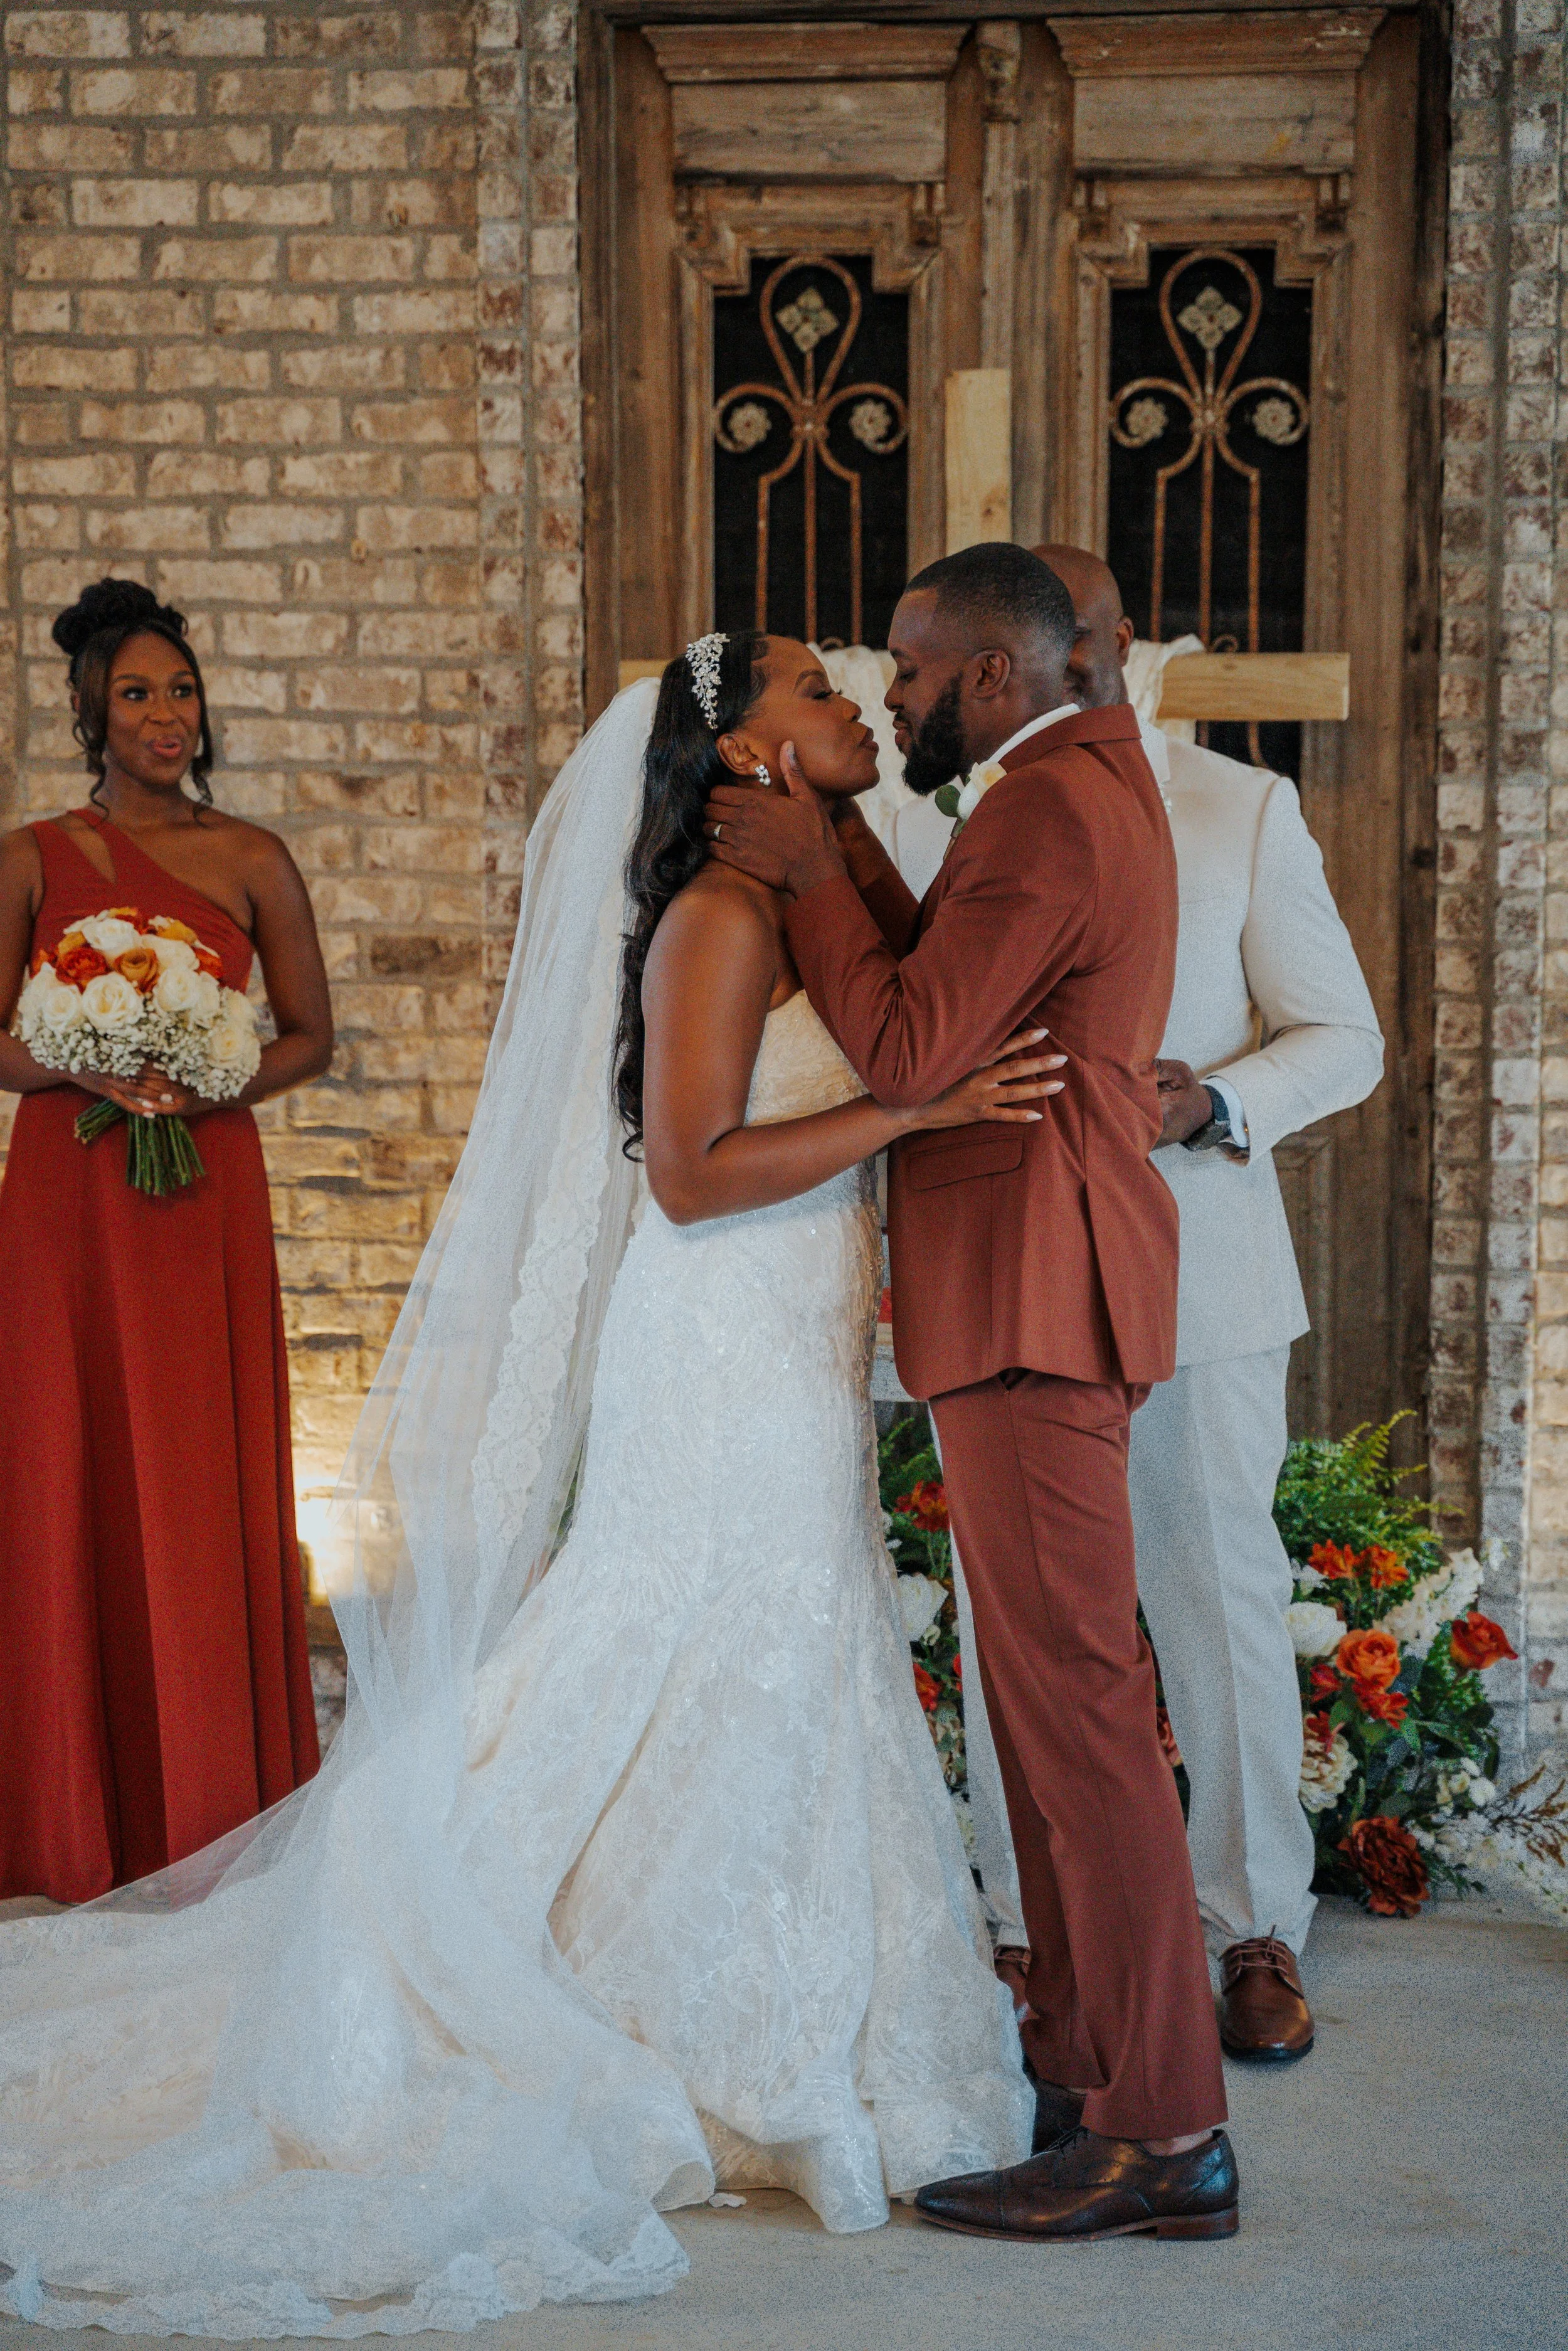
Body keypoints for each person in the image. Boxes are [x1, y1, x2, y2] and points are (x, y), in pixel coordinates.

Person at [0, 640, 1045, 2332]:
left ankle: (795, 2011)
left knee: (791, 1648)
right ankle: (640, 2003)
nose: (851, 693)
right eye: (805, 685)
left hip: (789, 1334)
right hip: (711, 1337)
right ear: (738, 752)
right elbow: (696, 1179)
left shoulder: (809, 894)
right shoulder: (712, 920)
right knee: (676, 1636)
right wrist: (907, 1112)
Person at [707, 543, 1238, 2246]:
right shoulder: (1070, 783)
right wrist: (846, 837)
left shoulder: (1043, 806)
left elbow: (915, 1043)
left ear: (991, 677)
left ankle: (1164, 2125)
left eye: (912, 676)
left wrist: (795, 866)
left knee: (1079, 1712)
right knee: (1046, 1708)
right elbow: (949, 969)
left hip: (1034, 1286)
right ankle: (1087, 2058)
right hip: (1030, 1281)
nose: (893, 698)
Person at [1000, 541, 1377, 2058]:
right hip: (1018, 1279)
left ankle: (1251, 1934)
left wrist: (1206, 1105)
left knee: (1214, 1599)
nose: (1069, 672)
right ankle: (1038, 1935)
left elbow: (1337, 1037)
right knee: (1009, 1613)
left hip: (1199, 1268)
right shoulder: (944, 805)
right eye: (1044, 650)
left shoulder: (1237, 806)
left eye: (1087, 643)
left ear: (1124, 642)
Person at [0, 579, 331, 1905]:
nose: (164, 715)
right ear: (89, 710)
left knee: (196, 1475)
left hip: (200, 1187)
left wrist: (206, 1083)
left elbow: (307, 1032)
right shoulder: (28, 854)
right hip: (69, 1202)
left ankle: (211, 1801)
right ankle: (69, 1818)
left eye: (180, 691)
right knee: (64, 1462)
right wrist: (86, 1059)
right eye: (136, 694)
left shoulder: (251, 857)